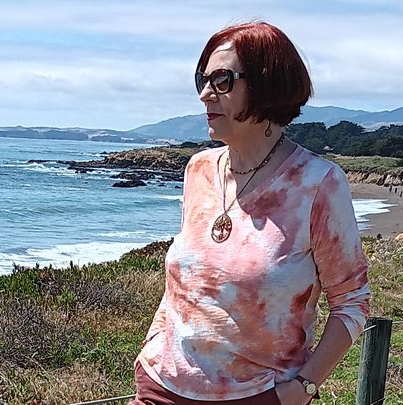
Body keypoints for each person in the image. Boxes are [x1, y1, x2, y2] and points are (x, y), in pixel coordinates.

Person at [131, 21, 370, 405]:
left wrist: (303, 388)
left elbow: (351, 301)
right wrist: (154, 343)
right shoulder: (198, 170)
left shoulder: (317, 183)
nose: (205, 95)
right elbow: (184, 281)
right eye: (203, 80)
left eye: (222, 81)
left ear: (266, 84)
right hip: (161, 387)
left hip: (259, 393)